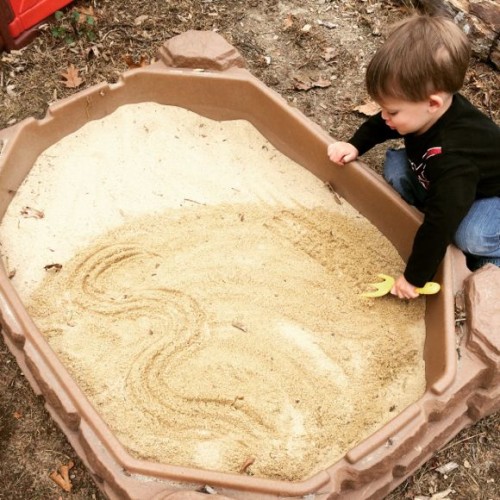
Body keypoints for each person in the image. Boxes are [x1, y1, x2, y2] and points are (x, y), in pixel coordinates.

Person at [327, 14, 500, 299]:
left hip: (488, 196)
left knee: (470, 235)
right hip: (445, 180)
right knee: (396, 167)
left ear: (433, 103)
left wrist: (413, 278)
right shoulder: (425, 110)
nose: (384, 117)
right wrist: (355, 145)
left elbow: (440, 222)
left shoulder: (454, 159)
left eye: (392, 111)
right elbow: (383, 123)